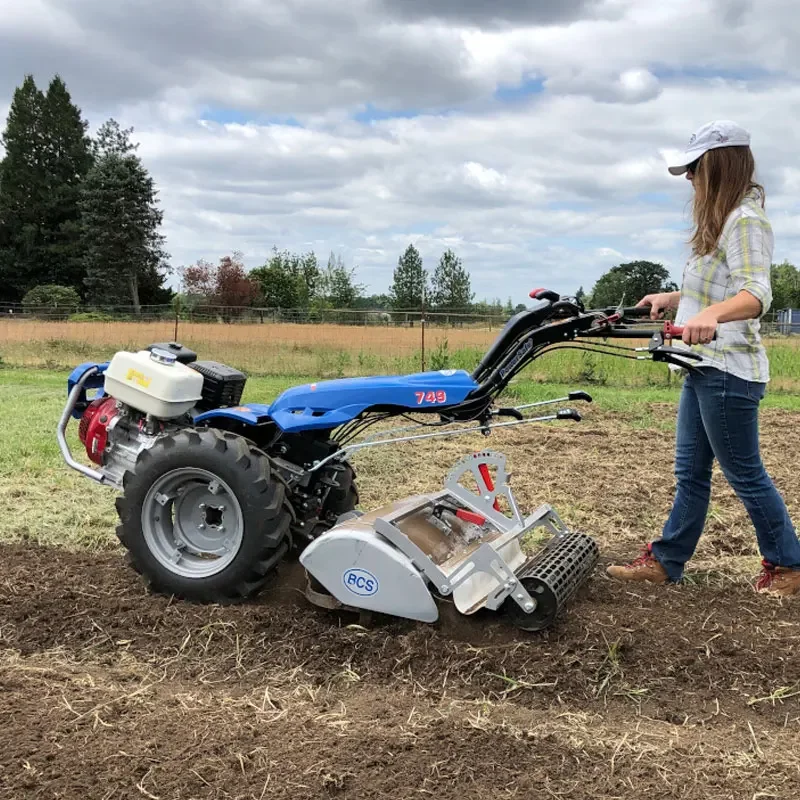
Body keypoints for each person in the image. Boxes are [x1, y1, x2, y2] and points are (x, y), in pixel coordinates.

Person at [606, 120, 800, 597]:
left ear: (717, 165)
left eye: (694, 168)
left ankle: (789, 567)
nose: (689, 178)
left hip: (729, 372)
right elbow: (717, 286)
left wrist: (712, 314)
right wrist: (673, 298)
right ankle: (667, 561)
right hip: (702, 366)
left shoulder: (746, 221)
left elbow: (756, 294)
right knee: (689, 472)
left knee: (744, 473)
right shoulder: (722, 223)